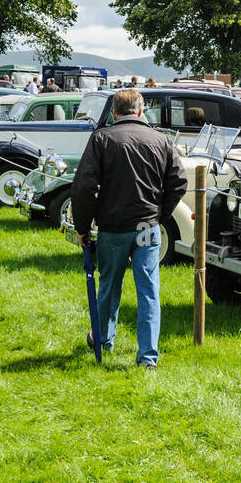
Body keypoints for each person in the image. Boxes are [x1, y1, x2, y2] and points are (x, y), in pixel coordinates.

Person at [69, 89, 187, 368]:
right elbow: (179, 182)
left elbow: (84, 186)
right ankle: (147, 357)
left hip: (114, 226)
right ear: (141, 110)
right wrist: (159, 213)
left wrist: (82, 226)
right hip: (147, 225)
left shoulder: (102, 138)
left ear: (113, 112)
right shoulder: (161, 140)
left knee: (109, 286)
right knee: (148, 290)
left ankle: (104, 339)